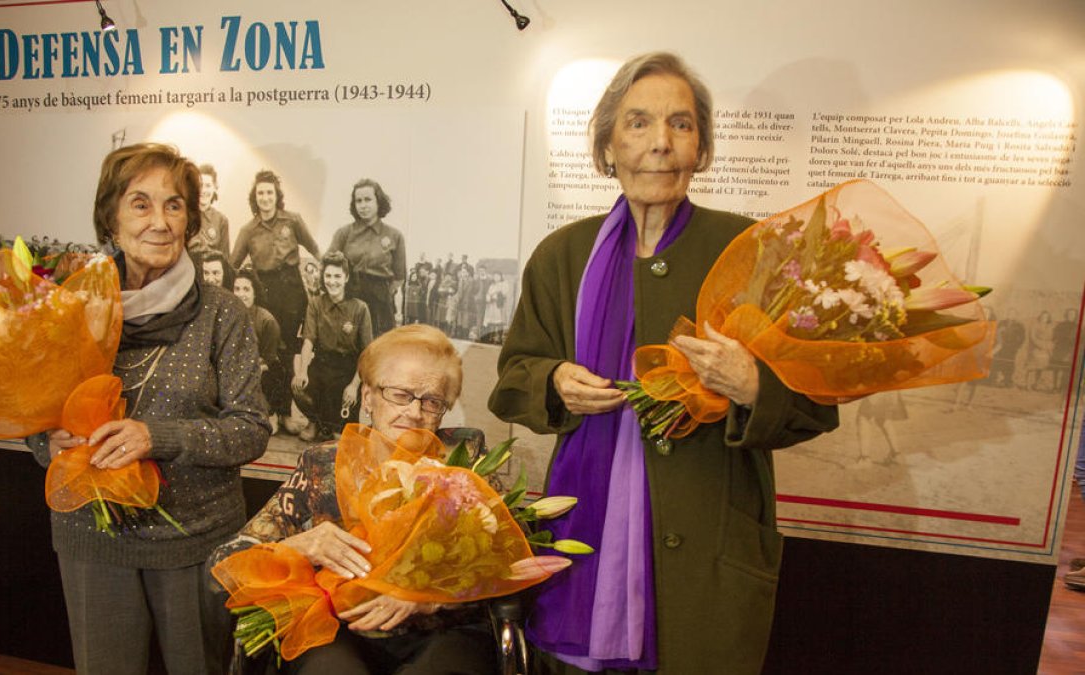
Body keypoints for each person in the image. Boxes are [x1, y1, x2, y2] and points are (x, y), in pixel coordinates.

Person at [488, 52, 839, 674]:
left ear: (701, 149)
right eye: (638, 123)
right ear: (607, 148)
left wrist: (753, 385)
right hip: (584, 527)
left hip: (708, 531)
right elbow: (515, 373)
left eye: (681, 124)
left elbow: (817, 400)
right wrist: (552, 380)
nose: (660, 143)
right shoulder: (561, 255)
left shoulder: (752, 250)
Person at [27, 143, 272, 674]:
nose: (159, 221)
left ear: (190, 219)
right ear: (111, 220)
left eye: (174, 205)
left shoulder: (222, 313)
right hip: (93, 537)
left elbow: (252, 430)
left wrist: (156, 436)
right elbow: (35, 408)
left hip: (195, 540)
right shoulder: (70, 305)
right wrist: (45, 442)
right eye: (140, 204)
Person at [211, 324, 496, 674]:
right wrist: (301, 545)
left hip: (442, 631)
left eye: (432, 401)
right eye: (400, 394)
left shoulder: (466, 459)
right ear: (367, 397)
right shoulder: (323, 464)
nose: (414, 412)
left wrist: (429, 597)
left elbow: (512, 562)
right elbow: (226, 561)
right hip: (339, 627)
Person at [231, 169, 320, 431]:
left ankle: (286, 413)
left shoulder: (292, 220)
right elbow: (232, 264)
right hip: (265, 290)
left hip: (291, 290)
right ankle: (268, 411)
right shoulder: (248, 230)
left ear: (276, 195)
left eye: (269, 192)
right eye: (260, 193)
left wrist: (323, 277)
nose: (265, 197)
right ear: (254, 197)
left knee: (288, 351)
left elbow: (315, 249)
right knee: (269, 353)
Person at [292, 251, 374, 442]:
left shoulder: (360, 308)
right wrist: (302, 371)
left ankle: (331, 426)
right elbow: (308, 341)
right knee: (299, 387)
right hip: (322, 364)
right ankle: (314, 422)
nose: (332, 281)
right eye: (328, 276)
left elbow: (367, 353)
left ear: (346, 277)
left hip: (348, 369)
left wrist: (354, 386)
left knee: (339, 440)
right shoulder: (315, 304)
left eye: (337, 276)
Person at [328, 179, 407, 335]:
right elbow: (328, 265)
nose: (363, 205)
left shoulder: (395, 235)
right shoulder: (344, 233)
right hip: (350, 296)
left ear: (379, 202)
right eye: (358, 201)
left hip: (380, 303)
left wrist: (383, 294)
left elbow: (399, 277)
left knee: (378, 349)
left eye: (368, 200)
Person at [233, 268, 286, 433]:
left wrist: (247, 372)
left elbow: (269, 360)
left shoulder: (266, 321)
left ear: (255, 292)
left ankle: (271, 412)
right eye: (237, 289)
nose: (241, 294)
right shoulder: (228, 316)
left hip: (262, 371)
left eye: (246, 289)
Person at [187, 163, 231, 263]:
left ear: (215, 188)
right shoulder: (185, 216)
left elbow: (225, 260)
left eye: (208, 186)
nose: (203, 190)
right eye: (200, 185)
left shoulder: (221, 220)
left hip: (211, 276)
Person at [481, 271, 511, 344]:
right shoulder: (492, 285)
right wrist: (488, 297)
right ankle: (491, 338)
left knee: (499, 322)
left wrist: (495, 296)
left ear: (501, 277)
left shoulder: (504, 284)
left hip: (499, 306)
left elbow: (504, 294)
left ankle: (499, 339)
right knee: (491, 322)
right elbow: (488, 293)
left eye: (497, 276)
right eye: (494, 276)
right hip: (491, 306)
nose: (496, 277)